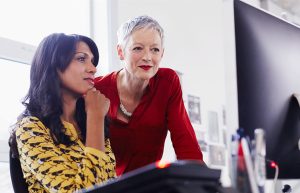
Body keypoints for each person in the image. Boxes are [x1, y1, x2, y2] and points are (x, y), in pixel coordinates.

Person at [94, 15, 204, 176]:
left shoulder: (168, 82)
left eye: (155, 49)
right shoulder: (96, 90)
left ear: (162, 54)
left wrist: (200, 183)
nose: (147, 57)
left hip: (148, 185)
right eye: (138, 48)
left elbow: (185, 143)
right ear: (120, 51)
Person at [8, 33, 116, 192]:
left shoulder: (90, 124)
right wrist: (95, 118)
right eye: (81, 58)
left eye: (92, 61)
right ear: (54, 65)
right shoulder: (30, 129)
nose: (93, 68)